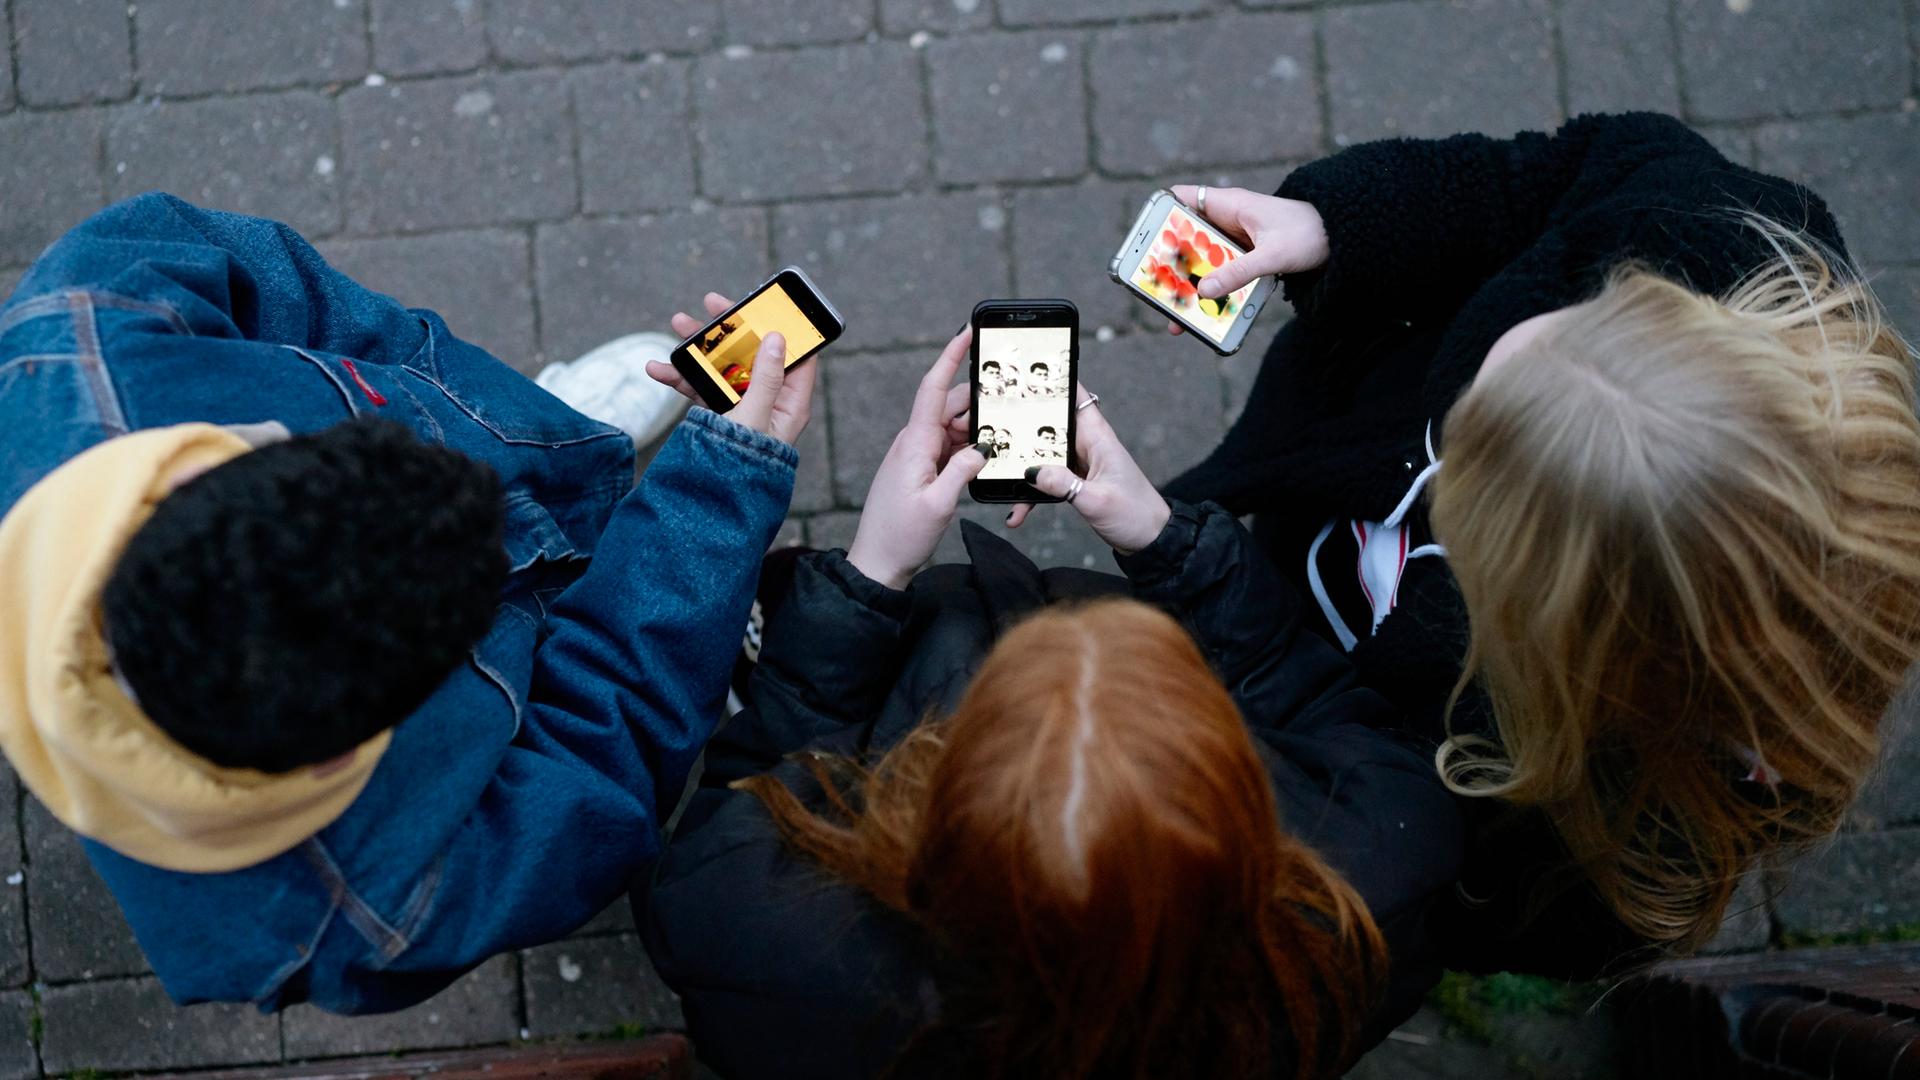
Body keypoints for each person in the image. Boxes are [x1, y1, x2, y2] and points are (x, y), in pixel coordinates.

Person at [0, 193, 817, 1014]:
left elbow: (282, 282)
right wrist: (720, 486)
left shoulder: (80, 331)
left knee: (511, 445)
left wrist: (430, 385)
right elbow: (607, 743)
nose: (496, 509)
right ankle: (588, 494)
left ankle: (555, 436)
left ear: (194, 472)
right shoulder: (366, 918)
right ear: (339, 758)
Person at [1161, 112, 1920, 976]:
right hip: (1296, 501)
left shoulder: (1576, 834)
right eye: (1561, 307)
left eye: (1474, 442)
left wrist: (1178, 561)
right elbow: (1542, 181)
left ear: (1536, 614)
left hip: (1281, 660)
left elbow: (1362, 813)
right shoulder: (1719, 239)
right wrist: (1341, 225)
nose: (1458, 380)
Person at [639, 330, 1461, 1078]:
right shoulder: (1366, 898)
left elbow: (760, 784)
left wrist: (868, 576)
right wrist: (1161, 536)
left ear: (939, 804)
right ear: (1232, 780)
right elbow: (1313, 693)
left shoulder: (761, 933)